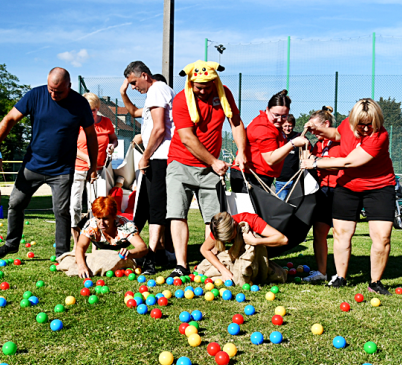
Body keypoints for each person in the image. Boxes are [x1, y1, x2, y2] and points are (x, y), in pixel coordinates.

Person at [0, 67, 97, 259]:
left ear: (69, 86)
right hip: (32, 165)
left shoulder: (80, 104)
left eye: (59, 91)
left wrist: (93, 165)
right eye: (51, 89)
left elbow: (91, 135)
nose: (53, 94)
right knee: (15, 203)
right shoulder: (35, 95)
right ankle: (11, 244)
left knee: (61, 211)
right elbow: (9, 119)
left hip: (62, 170)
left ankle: (62, 255)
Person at [302, 98, 396, 295]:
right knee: (341, 233)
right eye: (360, 124)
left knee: (382, 237)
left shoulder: (380, 136)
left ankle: (375, 283)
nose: (364, 129)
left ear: (377, 121)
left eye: (369, 124)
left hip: (378, 187)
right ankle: (340, 277)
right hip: (348, 186)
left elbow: (348, 162)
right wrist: (318, 130)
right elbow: (337, 134)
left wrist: (316, 162)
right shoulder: (347, 124)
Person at [166, 60, 248, 279]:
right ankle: (181, 265)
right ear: (190, 82)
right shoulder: (182, 99)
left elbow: (236, 122)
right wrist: (213, 161)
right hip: (180, 163)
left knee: (213, 219)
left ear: (215, 81)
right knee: (177, 214)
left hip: (210, 167)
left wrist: (242, 150)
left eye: (206, 86)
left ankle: (207, 263)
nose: (202, 91)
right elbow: (187, 137)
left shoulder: (224, 94)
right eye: (197, 86)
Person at [120, 61, 175, 274]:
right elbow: (134, 111)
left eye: (134, 82)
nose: (134, 87)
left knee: (156, 208)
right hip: (156, 157)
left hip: (160, 157)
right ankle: (150, 250)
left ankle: (150, 256)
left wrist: (146, 156)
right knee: (144, 206)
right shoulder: (154, 94)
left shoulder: (157, 90)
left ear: (144, 75)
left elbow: (160, 129)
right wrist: (123, 92)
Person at [230, 89, 308, 193]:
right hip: (251, 176)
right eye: (276, 115)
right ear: (267, 109)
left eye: (284, 116)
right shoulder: (264, 128)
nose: (280, 120)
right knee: (249, 209)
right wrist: (293, 143)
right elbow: (270, 159)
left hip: (258, 175)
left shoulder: (273, 125)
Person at [71, 92, 118, 247]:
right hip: (79, 168)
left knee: (97, 205)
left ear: (97, 108)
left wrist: (112, 145)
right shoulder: (76, 123)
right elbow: (71, 147)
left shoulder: (106, 122)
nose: (90, 113)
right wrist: (88, 159)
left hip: (98, 171)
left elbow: (113, 139)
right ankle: (77, 242)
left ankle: (97, 240)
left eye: (93, 110)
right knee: (75, 206)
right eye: (86, 109)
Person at [303, 107, 342, 282]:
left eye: (314, 127)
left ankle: (341, 274)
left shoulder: (340, 141)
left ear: (326, 124)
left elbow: (341, 164)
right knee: (319, 232)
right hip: (323, 191)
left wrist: (316, 162)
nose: (313, 132)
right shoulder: (318, 144)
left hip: (340, 190)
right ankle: (321, 271)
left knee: (340, 234)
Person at [200, 211, 288, 284]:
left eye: (230, 237)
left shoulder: (250, 219)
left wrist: (255, 241)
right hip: (235, 256)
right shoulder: (218, 227)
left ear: (234, 224)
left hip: (256, 257)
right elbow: (204, 249)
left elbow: (283, 239)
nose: (229, 241)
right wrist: (223, 270)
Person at [74, 196, 148, 279]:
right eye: (98, 218)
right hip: (99, 243)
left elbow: (143, 247)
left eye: (105, 219)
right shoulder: (91, 226)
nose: (101, 223)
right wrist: (81, 266)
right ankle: (94, 249)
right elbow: (80, 247)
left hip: (121, 243)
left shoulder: (125, 226)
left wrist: (130, 253)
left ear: (114, 216)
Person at [274, 114, 301, 199]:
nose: (287, 128)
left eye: (290, 126)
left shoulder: (298, 138)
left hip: (295, 181)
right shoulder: (278, 139)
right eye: (285, 126)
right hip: (281, 181)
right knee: (281, 205)